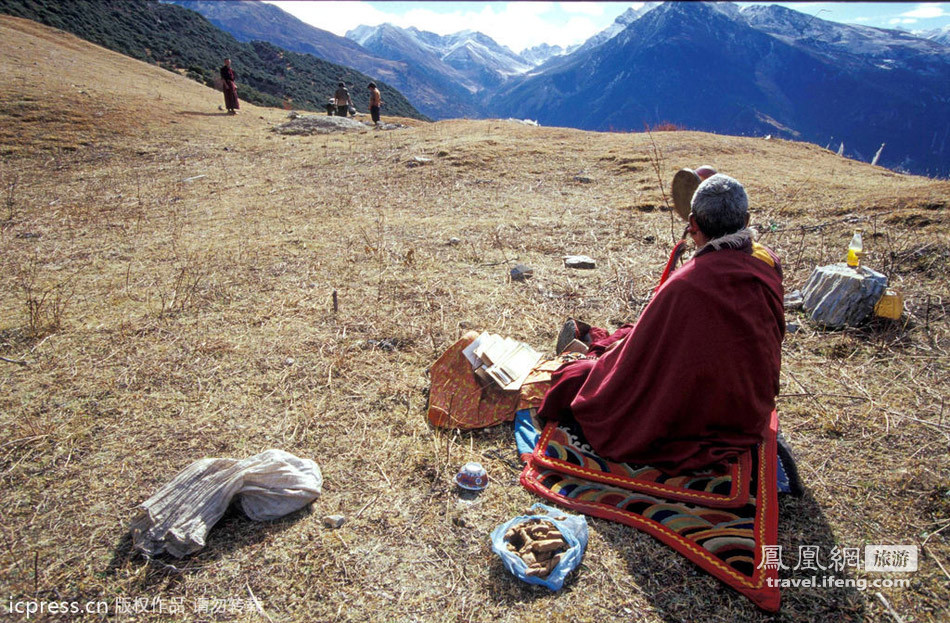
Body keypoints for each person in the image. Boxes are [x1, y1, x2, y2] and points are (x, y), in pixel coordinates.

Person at [537, 174, 785, 473]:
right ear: (746, 219)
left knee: (580, 376)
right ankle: (593, 341)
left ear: (692, 222)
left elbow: (638, 356)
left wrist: (603, 356)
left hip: (698, 416)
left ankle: (588, 344)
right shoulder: (767, 262)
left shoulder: (686, 284)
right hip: (749, 412)